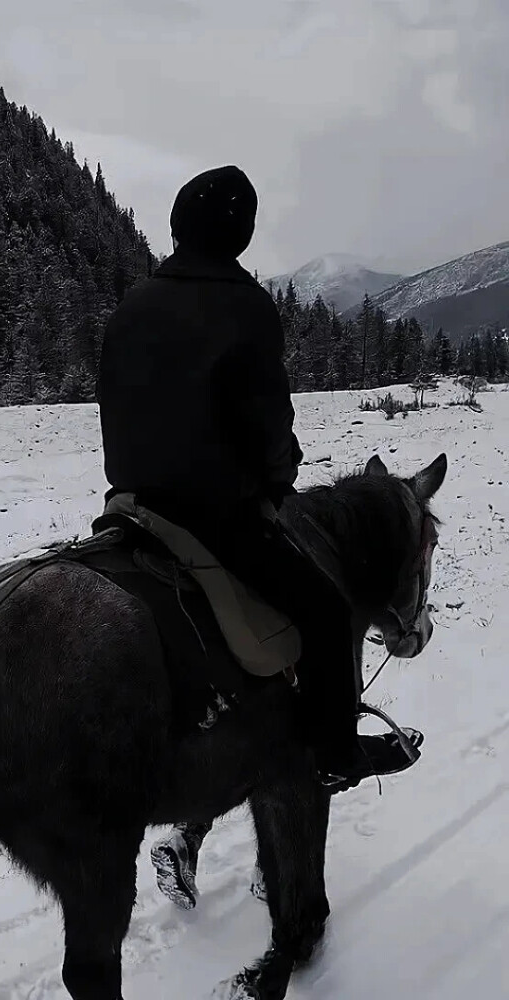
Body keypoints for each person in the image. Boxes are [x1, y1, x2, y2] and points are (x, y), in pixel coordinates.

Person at [95, 164, 417, 792]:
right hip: (215, 515)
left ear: (178, 225)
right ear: (240, 233)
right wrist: (277, 482)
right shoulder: (244, 306)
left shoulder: (133, 303)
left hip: (128, 504)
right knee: (325, 611)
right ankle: (333, 753)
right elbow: (271, 426)